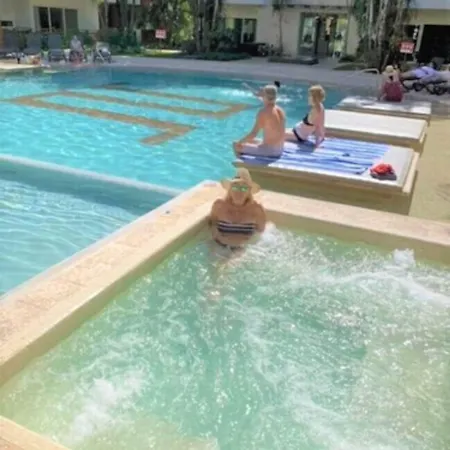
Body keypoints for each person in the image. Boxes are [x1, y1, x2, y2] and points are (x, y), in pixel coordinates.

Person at [209, 168, 266, 251]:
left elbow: (260, 234)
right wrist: (219, 241)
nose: (239, 192)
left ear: (249, 192)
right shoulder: (219, 206)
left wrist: (243, 249)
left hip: (246, 251)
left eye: (244, 188)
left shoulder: (257, 209)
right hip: (219, 247)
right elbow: (213, 226)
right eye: (235, 187)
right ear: (230, 190)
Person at [233, 85, 285, 158]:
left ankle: (243, 164)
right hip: (280, 148)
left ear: (264, 97)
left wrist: (239, 142)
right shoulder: (280, 110)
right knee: (249, 141)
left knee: (235, 144)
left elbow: (253, 134)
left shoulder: (263, 112)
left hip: (270, 151)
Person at [285, 84, 325, 149]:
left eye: (309, 96)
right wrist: (322, 137)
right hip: (297, 132)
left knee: (275, 134)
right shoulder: (320, 106)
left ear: (314, 97)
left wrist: (317, 145)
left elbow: (318, 127)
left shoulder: (315, 111)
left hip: (298, 135)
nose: (308, 98)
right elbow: (321, 124)